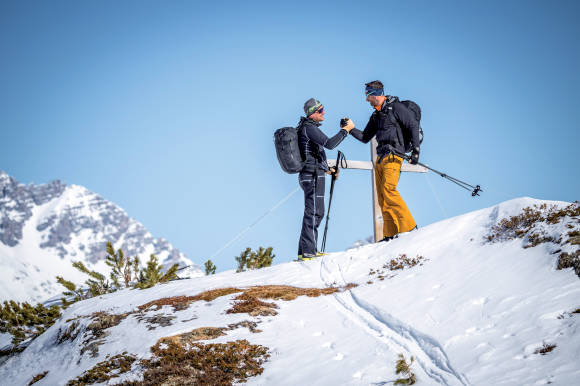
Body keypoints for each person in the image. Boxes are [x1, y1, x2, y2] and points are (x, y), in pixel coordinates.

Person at [345, 80, 420, 242]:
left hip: (394, 155)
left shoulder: (396, 108)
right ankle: (390, 233)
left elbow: (413, 125)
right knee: (382, 197)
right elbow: (365, 137)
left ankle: (409, 227)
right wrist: (350, 129)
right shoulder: (376, 115)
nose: (366, 100)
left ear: (376, 94)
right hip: (381, 158)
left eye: (368, 96)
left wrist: (416, 150)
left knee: (389, 190)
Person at [297, 98, 353, 260]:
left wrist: (328, 169)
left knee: (316, 211)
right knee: (314, 211)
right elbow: (329, 144)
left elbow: (314, 154)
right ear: (313, 113)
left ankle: (307, 250)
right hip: (312, 174)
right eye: (320, 110)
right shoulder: (309, 128)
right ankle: (308, 252)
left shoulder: (308, 128)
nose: (324, 113)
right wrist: (346, 130)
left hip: (314, 173)